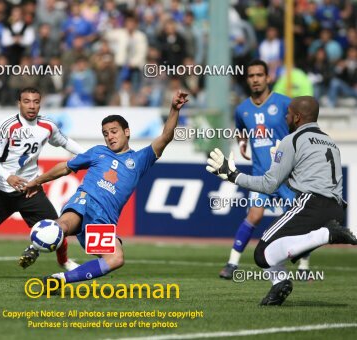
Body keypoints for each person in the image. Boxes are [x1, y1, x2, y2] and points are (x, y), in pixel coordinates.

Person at [19, 91, 189, 290]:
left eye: (114, 131)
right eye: (106, 133)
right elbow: (65, 167)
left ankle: (59, 280)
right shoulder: (97, 152)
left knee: (116, 258)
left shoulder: (141, 159)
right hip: (84, 201)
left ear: (127, 132)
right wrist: (38, 181)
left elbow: (166, 136)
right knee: (63, 225)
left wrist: (174, 109)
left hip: (104, 219)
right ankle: (36, 245)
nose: (109, 136)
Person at [207, 96, 357, 305]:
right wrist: (286, 170)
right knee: (274, 250)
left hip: (311, 205)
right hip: (336, 208)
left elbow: (269, 185)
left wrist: (233, 176)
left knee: (262, 253)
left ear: (296, 117)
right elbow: (307, 180)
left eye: (288, 113)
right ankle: (280, 284)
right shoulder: (329, 141)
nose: (284, 116)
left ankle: (325, 235)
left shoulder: (292, 140)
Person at [0, 87, 85, 276]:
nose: (32, 106)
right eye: (27, 101)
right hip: (2, 190)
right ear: (19, 104)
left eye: (36, 102)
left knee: (57, 226)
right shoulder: (8, 127)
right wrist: (8, 177)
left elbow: (64, 142)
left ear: (40, 104)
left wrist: (88, 156)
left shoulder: (47, 126)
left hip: (30, 189)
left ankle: (64, 262)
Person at [219, 59, 311, 280]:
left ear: (268, 78)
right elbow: (241, 128)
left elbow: (303, 128)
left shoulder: (284, 103)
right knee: (254, 215)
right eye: (251, 76)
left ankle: (304, 267)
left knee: (298, 219)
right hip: (261, 175)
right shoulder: (242, 109)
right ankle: (232, 264)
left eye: (259, 75)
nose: (255, 79)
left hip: (287, 176)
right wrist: (242, 143)